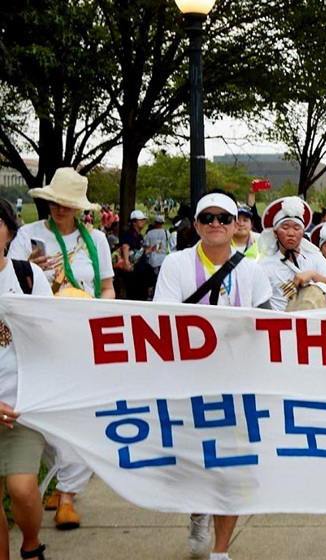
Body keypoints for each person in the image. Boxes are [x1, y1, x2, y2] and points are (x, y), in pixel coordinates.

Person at [154, 191, 272, 560]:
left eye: (225, 217)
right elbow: (164, 321)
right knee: (194, 464)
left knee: (231, 470)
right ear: (197, 224)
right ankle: (197, 511)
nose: (217, 225)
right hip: (189, 381)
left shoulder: (252, 270)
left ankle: (220, 551)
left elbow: (268, 324)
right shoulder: (176, 265)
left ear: (237, 221)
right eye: (208, 218)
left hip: (237, 384)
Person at [8, 167, 115, 531]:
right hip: (38, 336)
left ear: (80, 208)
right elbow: (11, 277)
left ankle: (68, 494)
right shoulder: (28, 235)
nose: (59, 209)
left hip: (80, 334)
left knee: (81, 410)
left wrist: (103, 314)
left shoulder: (96, 240)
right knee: (43, 411)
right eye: (55, 202)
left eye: (67, 204)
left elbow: (108, 288)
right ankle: (60, 475)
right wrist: (31, 271)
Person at [0, 198, 53, 560]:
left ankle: (31, 544)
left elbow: (55, 335)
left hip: (22, 404)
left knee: (21, 487)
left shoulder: (26, 277)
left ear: (9, 232)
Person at [257, 197, 326, 312]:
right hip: (282, 326)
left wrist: (313, 275)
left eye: (297, 228)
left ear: (303, 232)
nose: (291, 233)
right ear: (275, 233)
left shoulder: (314, 256)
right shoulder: (265, 265)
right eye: (285, 228)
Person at [119, 210, 148, 300]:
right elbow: (125, 247)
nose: (143, 222)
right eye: (141, 220)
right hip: (133, 271)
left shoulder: (139, 236)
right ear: (134, 222)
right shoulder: (130, 234)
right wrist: (127, 263)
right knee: (134, 294)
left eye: (144, 220)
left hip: (140, 270)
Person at [143, 215, 169, 284]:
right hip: (162, 259)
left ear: (155, 222)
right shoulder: (166, 232)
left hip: (152, 259)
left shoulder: (149, 233)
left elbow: (147, 246)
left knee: (152, 280)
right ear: (162, 223)